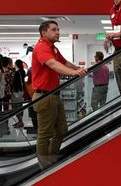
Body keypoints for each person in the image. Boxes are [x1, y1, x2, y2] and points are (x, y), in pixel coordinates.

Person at [32, 20, 86, 169]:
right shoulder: (42, 47)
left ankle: (50, 159)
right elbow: (53, 64)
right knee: (44, 134)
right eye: (54, 30)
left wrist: (78, 68)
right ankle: (45, 168)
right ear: (44, 33)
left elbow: (63, 62)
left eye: (58, 29)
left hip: (54, 95)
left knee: (62, 129)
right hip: (44, 96)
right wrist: (74, 73)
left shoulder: (53, 48)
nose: (58, 32)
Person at [11, 59, 26, 128]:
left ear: (16, 64)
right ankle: (20, 121)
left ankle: (20, 121)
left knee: (16, 107)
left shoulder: (17, 72)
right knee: (20, 106)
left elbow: (15, 82)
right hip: (22, 90)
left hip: (17, 91)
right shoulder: (23, 71)